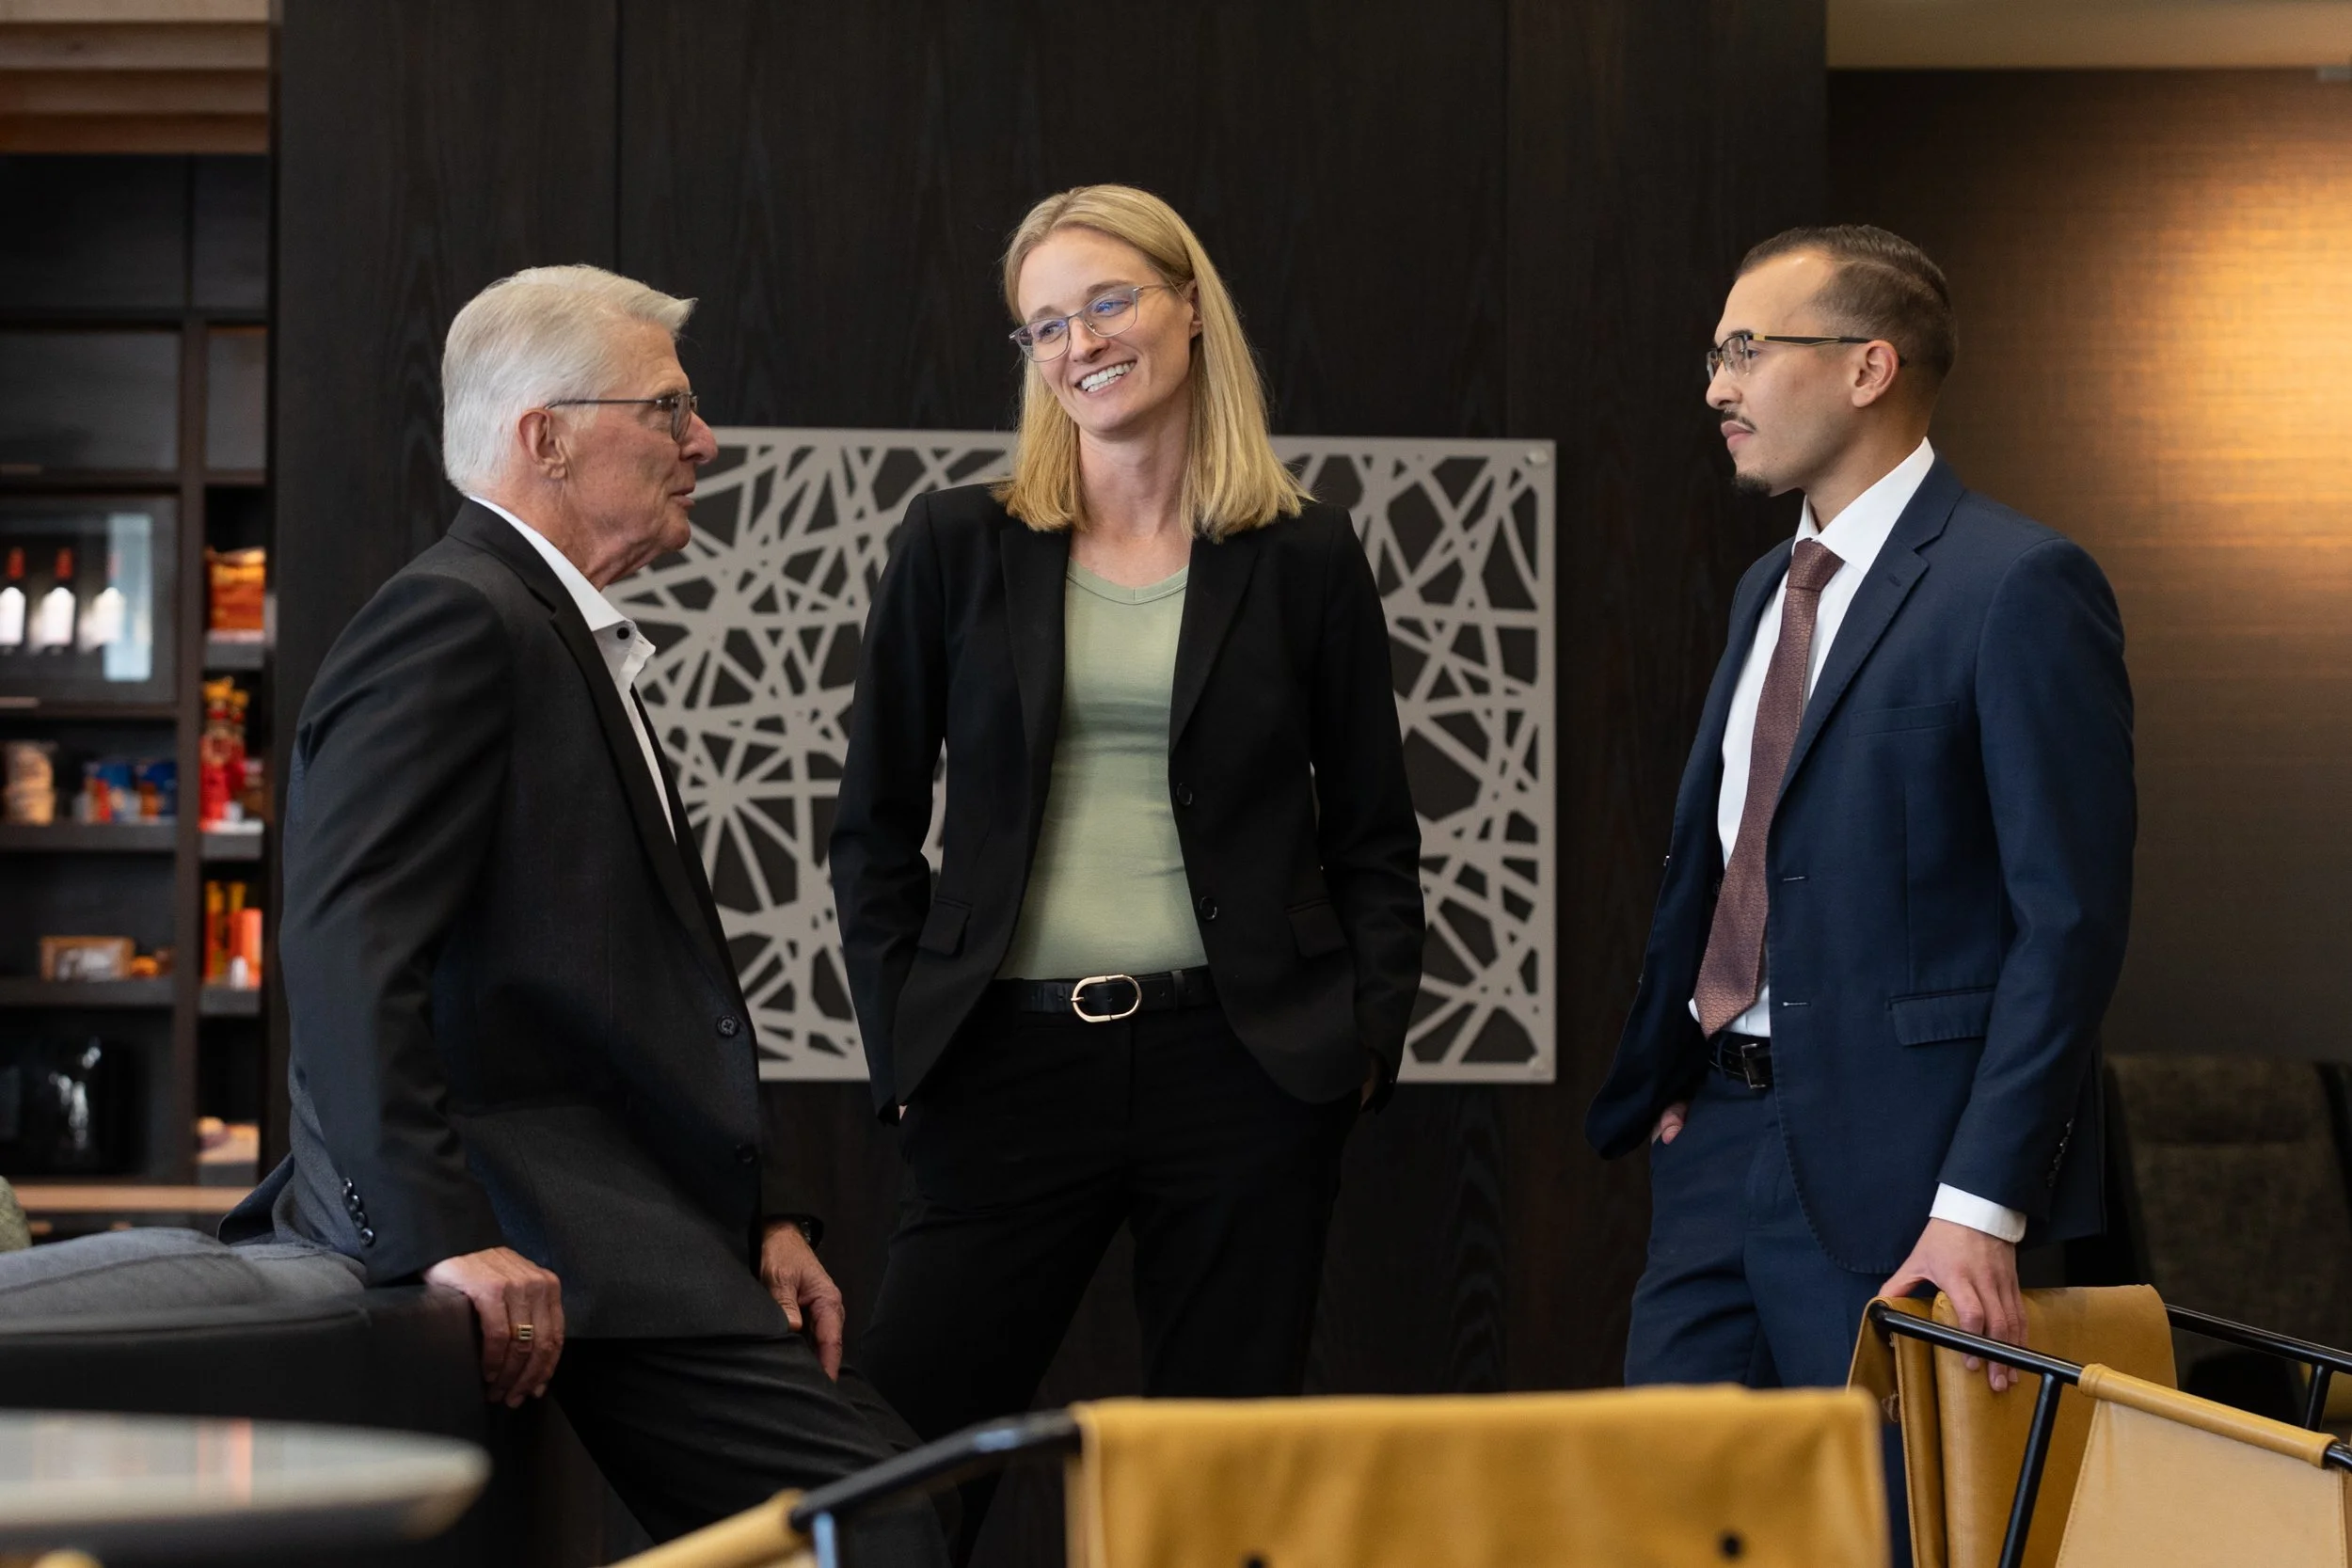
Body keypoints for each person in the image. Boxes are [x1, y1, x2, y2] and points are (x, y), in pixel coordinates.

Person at [223, 265, 947, 1560]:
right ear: (545, 434)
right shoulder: (454, 618)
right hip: (539, 1221)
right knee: (877, 1519)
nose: (704, 439)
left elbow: (636, 987)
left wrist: (764, 1212)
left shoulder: (550, 623)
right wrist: (444, 1235)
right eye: (668, 408)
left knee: (888, 1505)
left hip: (625, 1218)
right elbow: (347, 950)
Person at [831, 184, 1424, 1551]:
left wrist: (1361, 1045)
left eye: (1107, 301)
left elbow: (1376, 836)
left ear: (1189, 303)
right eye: (1046, 324)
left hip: (1246, 1067)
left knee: (1220, 1490)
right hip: (1004, 1063)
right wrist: (906, 1044)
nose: (1080, 341)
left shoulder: (1305, 555)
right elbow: (869, 825)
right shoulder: (956, 543)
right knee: (906, 1460)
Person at [1587, 226, 2135, 1401]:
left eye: (1744, 349)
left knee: (1890, 1522)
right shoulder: (1762, 587)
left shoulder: (2018, 584)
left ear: (1867, 367)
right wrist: (1684, 1059)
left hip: (1907, 1180)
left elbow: (2067, 923)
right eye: (1712, 354)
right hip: (1714, 1145)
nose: (1716, 386)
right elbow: (1734, 858)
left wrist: (1981, 1202)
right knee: (1665, 1511)